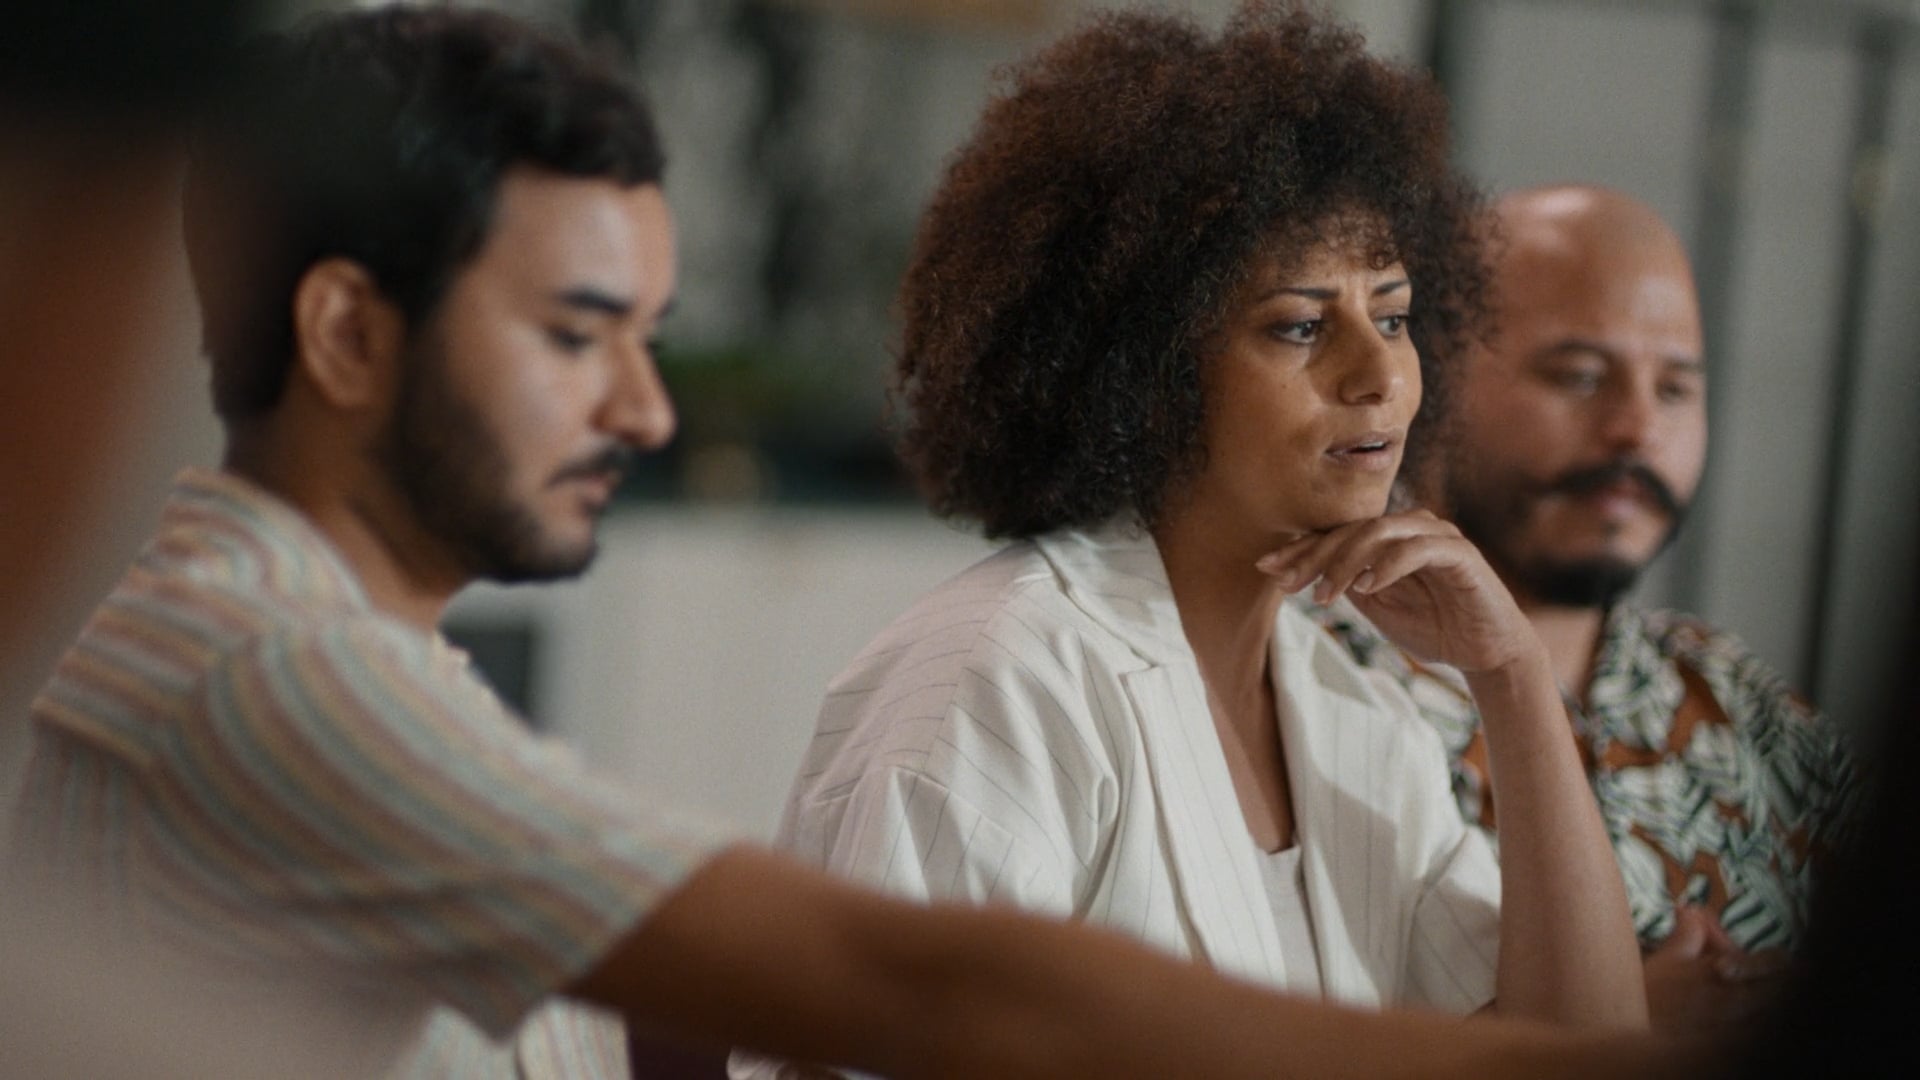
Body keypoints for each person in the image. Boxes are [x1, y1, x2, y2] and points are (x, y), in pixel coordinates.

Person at [5, 9, 1696, 1079]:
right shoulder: (255, 671)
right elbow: (921, 988)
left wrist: (1505, 693)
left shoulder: (337, 658)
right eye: (576, 334)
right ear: (350, 337)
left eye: (649, 338)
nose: (649, 414)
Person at [743, 9, 1645, 1076]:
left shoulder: (1356, 712)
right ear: (1149, 374)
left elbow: (1578, 1055)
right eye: (1301, 326)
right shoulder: (993, 686)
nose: (1379, 376)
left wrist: (1514, 680)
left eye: (1394, 316)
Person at [1306, 184, 1857, 1030]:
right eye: (1580, 375)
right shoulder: (1309, 678)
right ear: (1428, 383)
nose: (1636, 428)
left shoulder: (1738, 707)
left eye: (1675, 390)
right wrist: (1620, 1033)